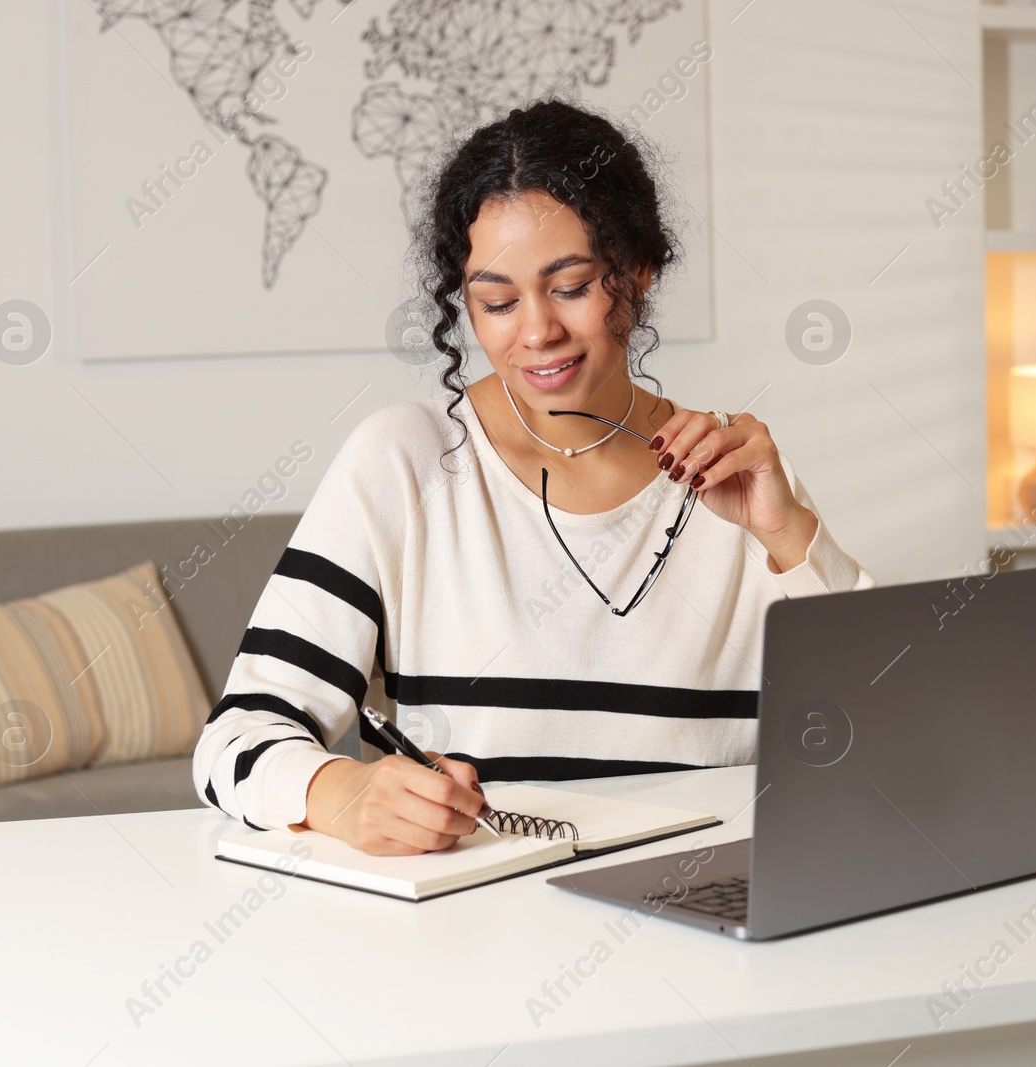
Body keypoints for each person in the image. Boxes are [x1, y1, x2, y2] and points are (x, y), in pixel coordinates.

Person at [193, 99, 872, 856]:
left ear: (639, 269)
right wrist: (339, 793)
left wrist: (786, 533)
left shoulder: (733, 474)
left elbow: (885, 738)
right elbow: (236, 738)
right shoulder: (406, 462)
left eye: (572, 286)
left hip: (703, 919)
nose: (537, 330)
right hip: (472, 932)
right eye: (497, 300)